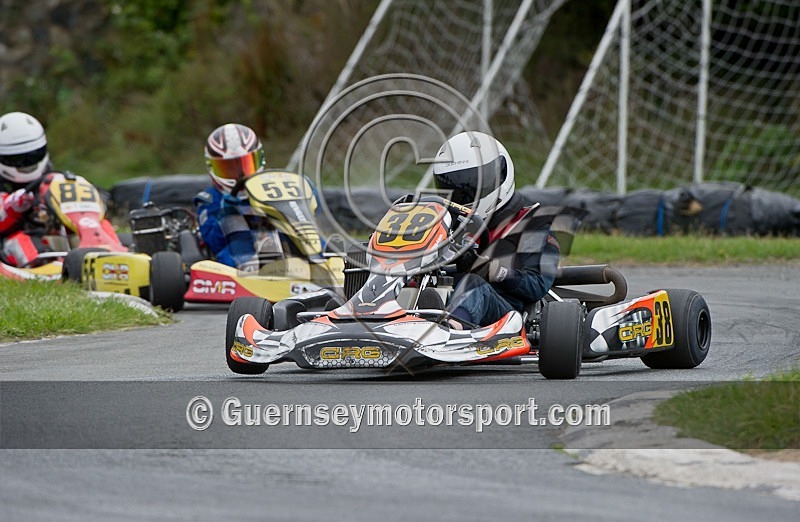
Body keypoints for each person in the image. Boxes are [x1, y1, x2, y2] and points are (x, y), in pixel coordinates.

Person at [432, 131, 561, 327]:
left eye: (468, 190)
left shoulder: (532, 225)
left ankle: (452, 330)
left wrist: (495, 271)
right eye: (453, 190)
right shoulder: (449, 227)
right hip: (446, 301)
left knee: (473, 284)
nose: (460, 198)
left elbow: (537, 286)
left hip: (505, 312)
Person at [194, 123, 268, 268]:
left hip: (278, 240)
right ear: (212, 168)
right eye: (230, 168)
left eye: (245, 164)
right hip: (240, 250)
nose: (239, 174)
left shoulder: (271, 187)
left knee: (316, 244)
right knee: (233, 257)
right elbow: (214, 244)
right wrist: (227, 215)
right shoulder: (209, 199)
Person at [0, 111, 53, 267]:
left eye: (33, 156)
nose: (27, 164)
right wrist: (14, 205)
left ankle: (110, 248)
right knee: (22, 241)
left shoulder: (51, 176)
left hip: (52, 231)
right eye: (17, 159)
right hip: (12, 237)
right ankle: (44, 266)